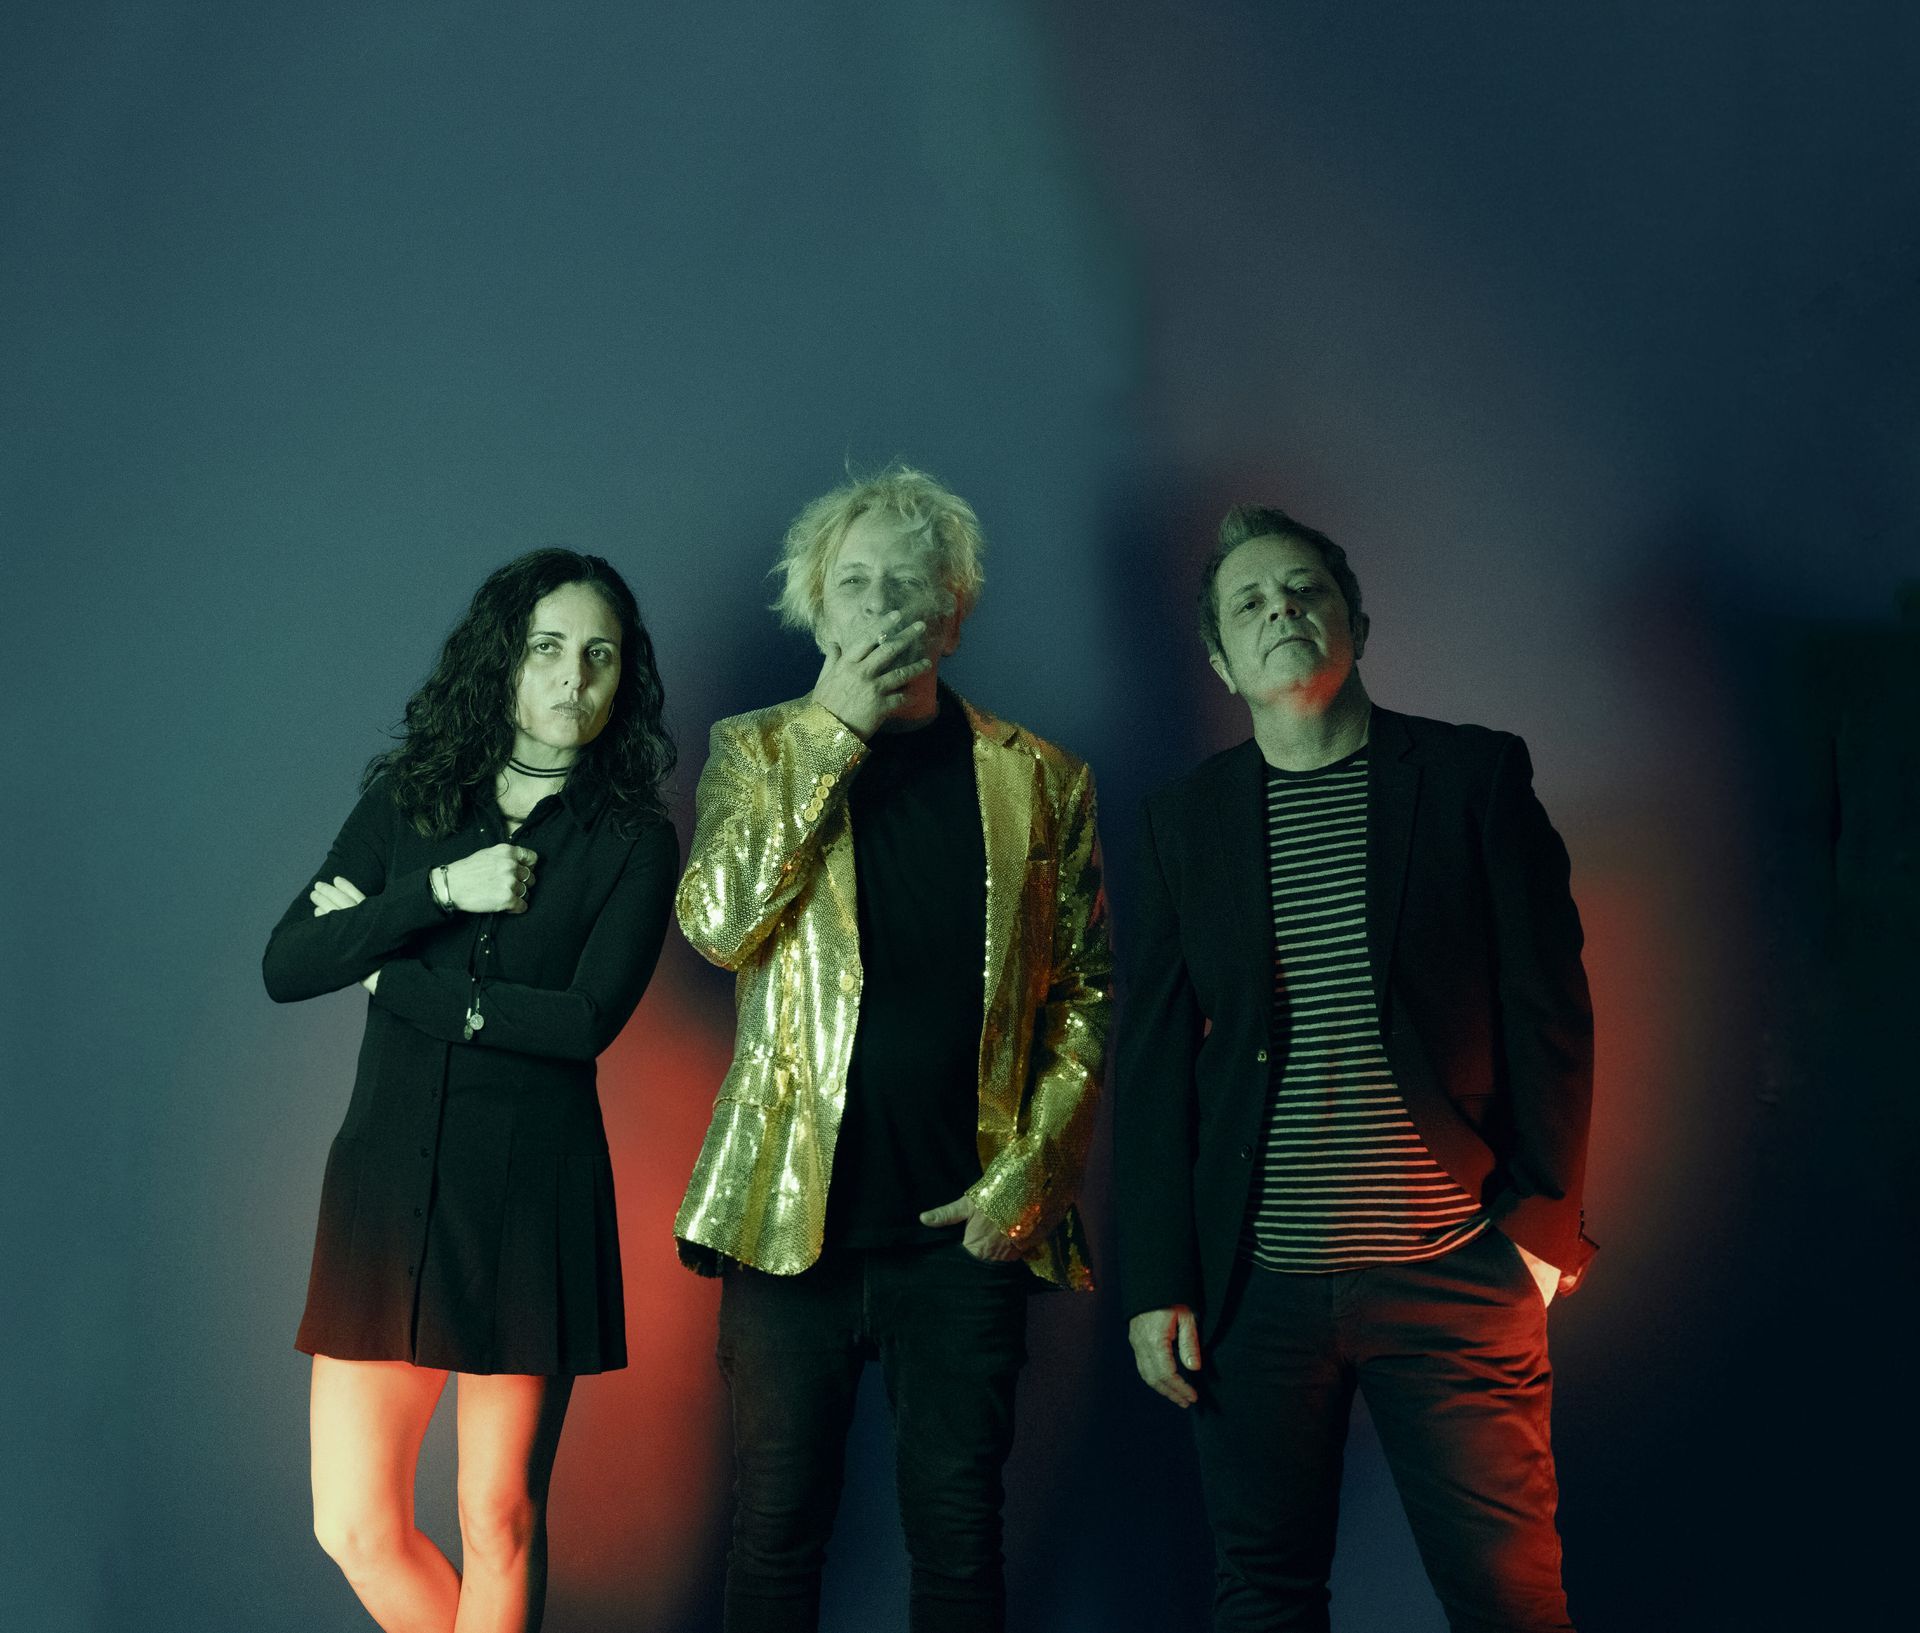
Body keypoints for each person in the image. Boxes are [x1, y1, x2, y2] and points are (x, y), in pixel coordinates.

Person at [1113, 506, 1596, 1632]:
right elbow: (1155, 1065)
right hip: (1257, 1291)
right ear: (1222, 662)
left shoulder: (1474, 777)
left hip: (1454, 1270)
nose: (1281, 608)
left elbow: (1552, 1015)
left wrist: (1541, 1234)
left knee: (1511, 1600)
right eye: (1249, 601)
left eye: (1305, 589)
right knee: (1263, 1596)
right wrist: (1159, 1280)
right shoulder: (1185, 822)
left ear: (1356, 622)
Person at [673, 465, 1110, 1633]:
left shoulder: (1042, 777)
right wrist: (832, 733)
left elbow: (1085, 992)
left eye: (907, 584)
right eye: (855, 583)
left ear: (951, 616)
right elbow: (718, 925)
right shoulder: (758, 749)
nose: (879, 606)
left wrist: (1030, 1178)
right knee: (774, 1532)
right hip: (788, 1224)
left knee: (961, 1538)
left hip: (962, 1234)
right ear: (818, 610)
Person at [262, 549, 678, 1633]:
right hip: (384, 1189)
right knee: (354, 1523)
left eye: (600, 655)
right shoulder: (409, 801)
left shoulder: (633, 840)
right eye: (549, 647)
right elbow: (289, 962)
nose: (574, 675)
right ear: (504, 658)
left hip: (529, 1199)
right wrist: (441, 889)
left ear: (623, 676)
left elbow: (582, 1023)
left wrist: (395, 976)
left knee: (498, 1519)